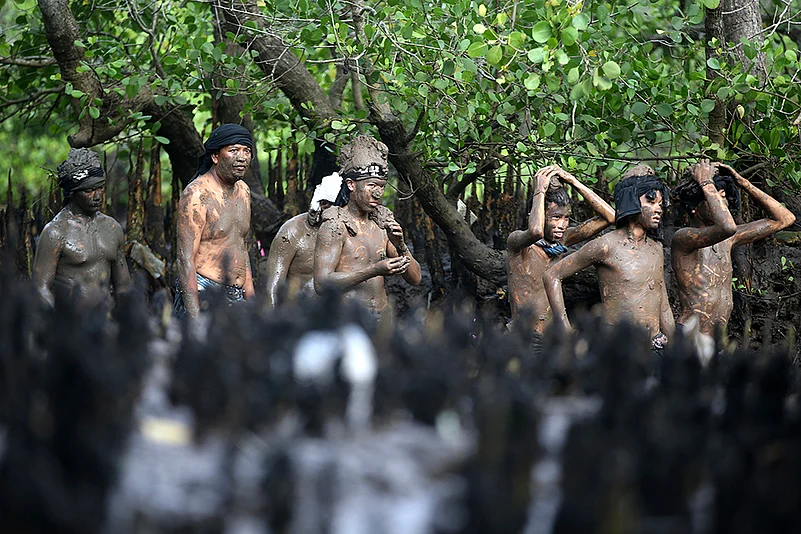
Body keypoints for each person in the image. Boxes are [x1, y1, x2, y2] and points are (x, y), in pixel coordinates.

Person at [544, 165, 675, 351]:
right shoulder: (606, 246)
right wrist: (565, 329)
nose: (658, 209)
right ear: (632, 202)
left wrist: (677, 347)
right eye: (651, 201)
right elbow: (552, 275)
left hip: (655, 345)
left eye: (660, 204)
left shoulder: (656, 248)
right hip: (618, 348)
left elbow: (663, 305)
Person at [672, 160, 796, 337]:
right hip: (690, 338)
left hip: (716, 341)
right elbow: (727, 227)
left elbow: (785, 219)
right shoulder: (684, 239)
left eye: (724, 198)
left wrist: (742, 181)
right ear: (695, 208)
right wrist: (706, 182)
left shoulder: (728, 240)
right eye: (717, 198)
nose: (724, 205)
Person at [313, 135, 421, 320]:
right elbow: (322, 284)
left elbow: (416, 278)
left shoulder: (382, 223)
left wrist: (401, 246)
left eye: (381, 186)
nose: (378, 193)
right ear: (351, 184)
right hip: (344, 319)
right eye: (371, 185)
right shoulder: (335, 226)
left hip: (380, 317)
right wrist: (374, 270)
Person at [507, 164, 615, 335]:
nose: (562, 225)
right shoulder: (518, 244)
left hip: (551, 336)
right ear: (539, 216)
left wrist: (573, 181)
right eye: (556, 217)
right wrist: (540, 191)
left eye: (566, 218)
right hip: (523, 335)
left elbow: (610, 217)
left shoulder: (563, 240)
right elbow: (535, 232)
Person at [33, 148, 131, 308]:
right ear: (72, 192)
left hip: (103, 321)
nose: (98, 196)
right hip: (71, 322)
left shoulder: (113, 228)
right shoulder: (55, 232)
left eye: (100, 187)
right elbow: (40, 288)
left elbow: (123, 287)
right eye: (89, 190)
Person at [174, 124, 256, 318]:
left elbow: (241, 247)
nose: (242, 157)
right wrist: (194, 318)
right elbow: (185, 259)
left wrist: (251, 301)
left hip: (236, 293)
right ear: (215, 156)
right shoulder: (197, 194)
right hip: (204, 291)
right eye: (233, 150)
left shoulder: (243, 191)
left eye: (247, 151)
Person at [264, 172, 343, 308]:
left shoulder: (352, 230)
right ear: (323, 204)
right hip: (298, 315)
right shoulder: (293, 231)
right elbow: (272, 288)